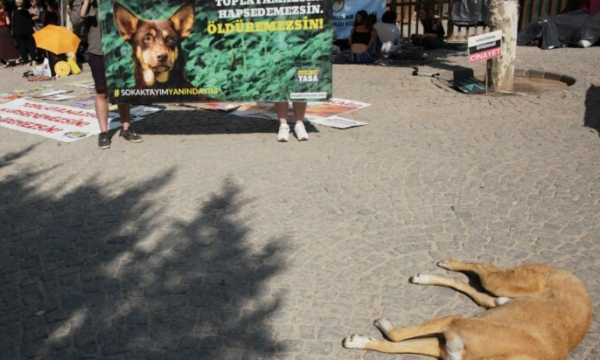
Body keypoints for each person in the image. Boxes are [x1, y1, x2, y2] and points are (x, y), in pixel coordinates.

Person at [71, 0, 142, 149]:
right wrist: (87, 2)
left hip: (119, 49)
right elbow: (76, 20)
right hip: (98, 51)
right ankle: (104, 132)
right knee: (101, 91)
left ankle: (126, 128)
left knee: (122, 90)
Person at [11, 0, 38, 66]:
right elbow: (30, 21)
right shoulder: (26, 12)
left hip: (18, 32)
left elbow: (12, 23)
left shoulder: (13, 12)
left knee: (22, 47)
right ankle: (34, 60)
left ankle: (27, 62)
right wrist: (34, 29)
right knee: (30, 46)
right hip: (28, 30)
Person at [0, 2, 21, 67]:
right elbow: (8, 22)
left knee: (2, 46)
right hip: (5, 29)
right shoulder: (4, 12)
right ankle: (17, 59)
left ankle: (7, 61)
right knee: (10, 44)